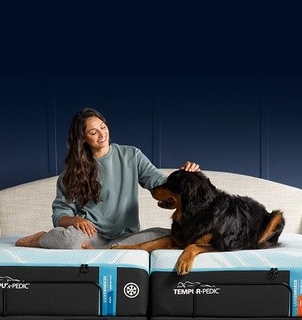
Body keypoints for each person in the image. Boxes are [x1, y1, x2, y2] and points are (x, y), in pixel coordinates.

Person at [16, 106, 199, 250]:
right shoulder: (72, 172)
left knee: (175, 236)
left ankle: (106, 249)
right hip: (91, 233)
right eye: (93, 132)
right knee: (69, 242)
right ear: (83, 139)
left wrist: (183, 176)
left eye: (103, 127)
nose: (102, 134)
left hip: (128, 235)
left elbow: (158, 182)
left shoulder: (131, 155)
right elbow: (59, 214)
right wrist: (75, 220)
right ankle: (39, 239)